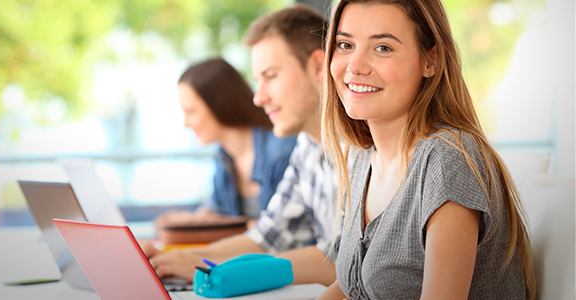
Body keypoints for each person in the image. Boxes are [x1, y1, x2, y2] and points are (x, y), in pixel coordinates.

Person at [317, 0, 536, 299]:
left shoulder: (447, 160)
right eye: (345, 45)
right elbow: (350, 286)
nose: (355, 66)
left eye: (383, 48)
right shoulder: (364, 160)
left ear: (430, 61)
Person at [143, 4, 339, 286]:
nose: (259, 98)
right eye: (258, 80)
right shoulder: (307, 150)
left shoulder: (364, 149)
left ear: (318, 66)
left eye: (270, 76)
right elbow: (266, 238)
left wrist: (213, 268)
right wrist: (184, 258)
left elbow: (345, 261)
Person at [155, 58, 297, 228]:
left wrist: (223, 226)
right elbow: (216, 210)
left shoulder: (282, 151)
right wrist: (190, 221)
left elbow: (281, 232)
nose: (185, 123)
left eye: (190, 111)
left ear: (219, 104)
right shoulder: (224, 157)